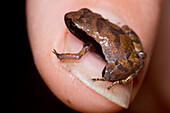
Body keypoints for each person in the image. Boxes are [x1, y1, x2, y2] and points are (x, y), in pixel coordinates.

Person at [26, 0, 168, 112]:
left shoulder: (88, 43)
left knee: (107, 75)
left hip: (120, 59)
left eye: (74, 27)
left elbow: (77, 57)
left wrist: (60, 56)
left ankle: (119, 79)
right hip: (128, 48)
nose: (70, 21)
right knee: (126, 30)